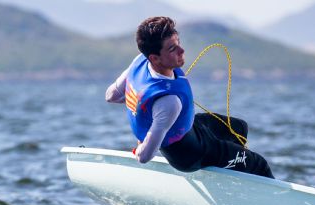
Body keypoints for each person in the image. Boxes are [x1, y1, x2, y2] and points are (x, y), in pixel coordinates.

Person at [105, 16, 274, 179]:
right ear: (155, 58)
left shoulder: (139, 62)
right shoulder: (168, 102)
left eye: (178, 43)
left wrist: (145, 109)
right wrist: (140, 145)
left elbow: (111, 95)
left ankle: (234, 171)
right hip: (190, 154)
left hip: (192, 129)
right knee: (259, 164)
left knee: (239, 128)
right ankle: (273, 197)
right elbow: (144, 157)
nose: (182, 50)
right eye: (172, 49)